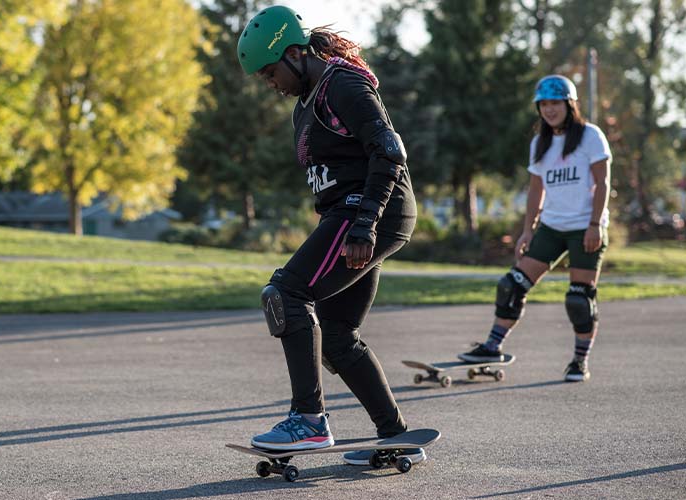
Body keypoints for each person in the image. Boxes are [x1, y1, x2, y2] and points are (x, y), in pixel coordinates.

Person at [236, 6, 424, 466]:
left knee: (285, 293)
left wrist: (364, 223)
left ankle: (309, 420)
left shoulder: (344, 85)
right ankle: (395, 434)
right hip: (350, 215)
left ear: (295, 53)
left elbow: (389, 150)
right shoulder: (306, 102)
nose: (270, 83)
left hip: (371, 211)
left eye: (271, 72)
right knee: (337, 335)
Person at [458, 75, 611, 383]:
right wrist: (528, 231)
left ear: (569, 104)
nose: (549, 110)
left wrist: (595, 224)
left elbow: (603, 182)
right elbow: (536, 191)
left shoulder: (591, 136)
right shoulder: (540, 143)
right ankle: (492, 346)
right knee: (511, 286)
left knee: (579, 300)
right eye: (543, 104)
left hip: (585, 227)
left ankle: (579, 361)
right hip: (551, 227)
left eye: (555, 103)